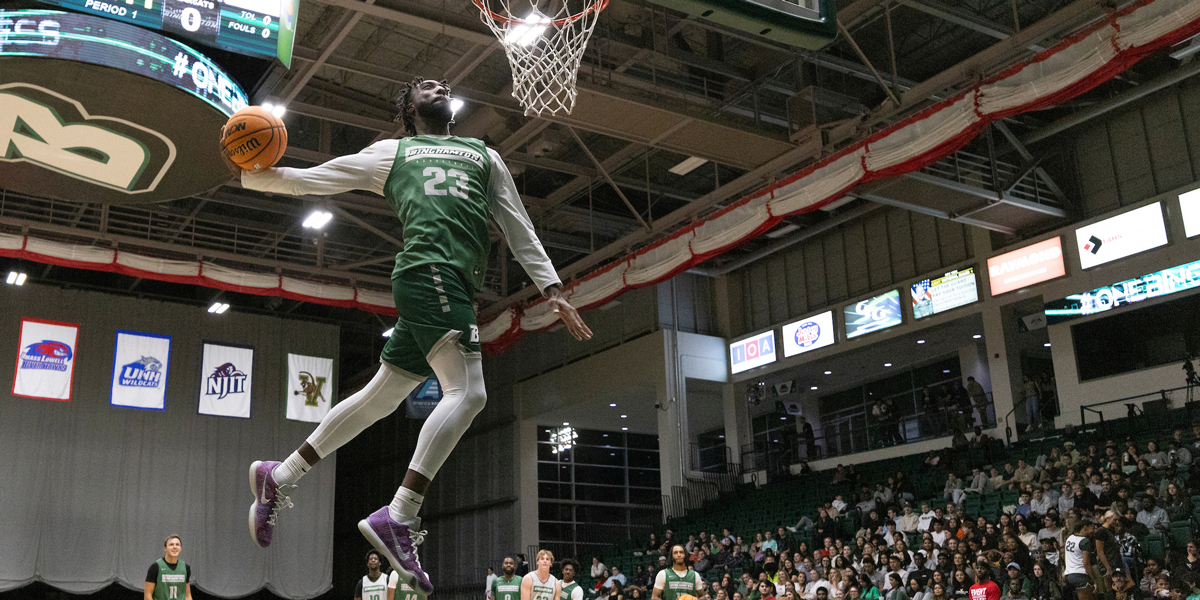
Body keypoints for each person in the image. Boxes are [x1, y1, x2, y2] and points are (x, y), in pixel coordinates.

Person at [236, 78, 593, 594]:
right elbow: (313, 180)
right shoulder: (390, 153)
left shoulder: (484, 156)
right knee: (468, 393)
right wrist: (249, 177)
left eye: (444, 84)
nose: (440, 85)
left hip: (452, 286)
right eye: (426, 86)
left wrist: (552, 289)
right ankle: (400, 513)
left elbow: (519, 227)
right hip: (430, 272)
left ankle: (280, 475)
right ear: (408, 107)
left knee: (379, 399)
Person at [144, 535, 191, 600]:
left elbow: (188, 596)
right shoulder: (155, 567)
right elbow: (147, 596)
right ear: (165, 548)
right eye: (171, 544)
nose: (175, 547)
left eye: (177, 544)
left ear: (180, 548)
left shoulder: (185, 567)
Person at [1064, 519, 1098, 600]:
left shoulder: (1070, 538)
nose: (1094, 531)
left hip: (1068, 575)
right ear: (1085, 527)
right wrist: (1094, 580)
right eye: (1092, 528)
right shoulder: (1084, 541)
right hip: (1080, 575)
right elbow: (1086, 564)